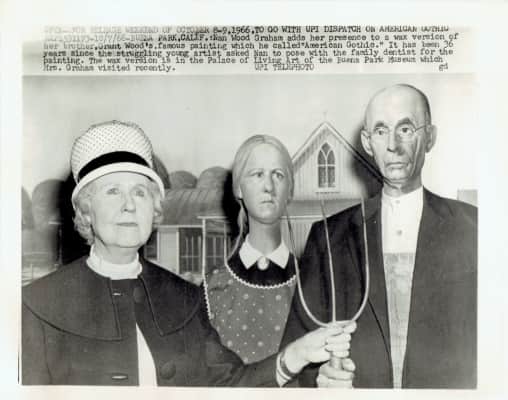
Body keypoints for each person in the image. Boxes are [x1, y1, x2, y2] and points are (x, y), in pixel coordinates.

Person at [21, 120, 354, 386]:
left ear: (155, 208)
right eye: (112, 191)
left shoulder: (184, 298)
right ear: (86, 210)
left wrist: (297, 354)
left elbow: (230, 385)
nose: (129, 205)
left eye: (140, 192)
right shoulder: (37, 305)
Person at [282, 84, 477, 389]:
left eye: (406, 129)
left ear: (430, 137)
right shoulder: (328, 238)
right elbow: (299, 354)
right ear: (368, 142)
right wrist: (320, 378)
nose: (393, 146)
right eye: (381, 131)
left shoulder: (475, 228)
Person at [204, 135, 297, 364]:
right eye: (257, 174)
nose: (269, 187)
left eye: (278, 175)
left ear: (290, 191)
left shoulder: (312, 284)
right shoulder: (210, 289)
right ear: (239, 188)